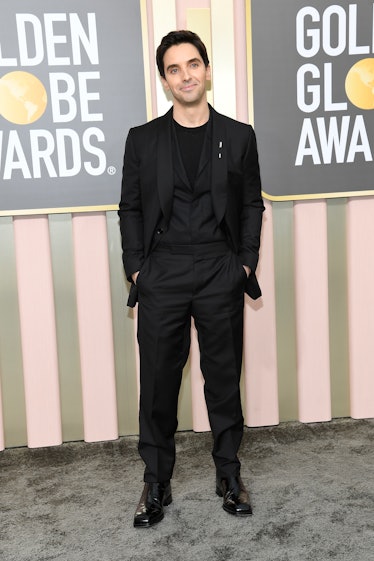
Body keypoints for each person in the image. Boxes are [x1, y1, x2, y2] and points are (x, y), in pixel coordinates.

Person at [118, 30, 264, 528]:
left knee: (223, 381)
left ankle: (229, 475)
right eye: (175, 68)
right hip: (163, 272)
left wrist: (244, 262)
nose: (186, 75)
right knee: (158, 383)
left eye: (193, 64)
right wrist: (137, 267)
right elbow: (131, 207)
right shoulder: (143, 138)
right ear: (164, 79)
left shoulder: (239, 135)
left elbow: (250, 204)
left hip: (220, 269)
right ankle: (156, 483)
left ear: (207, 70)